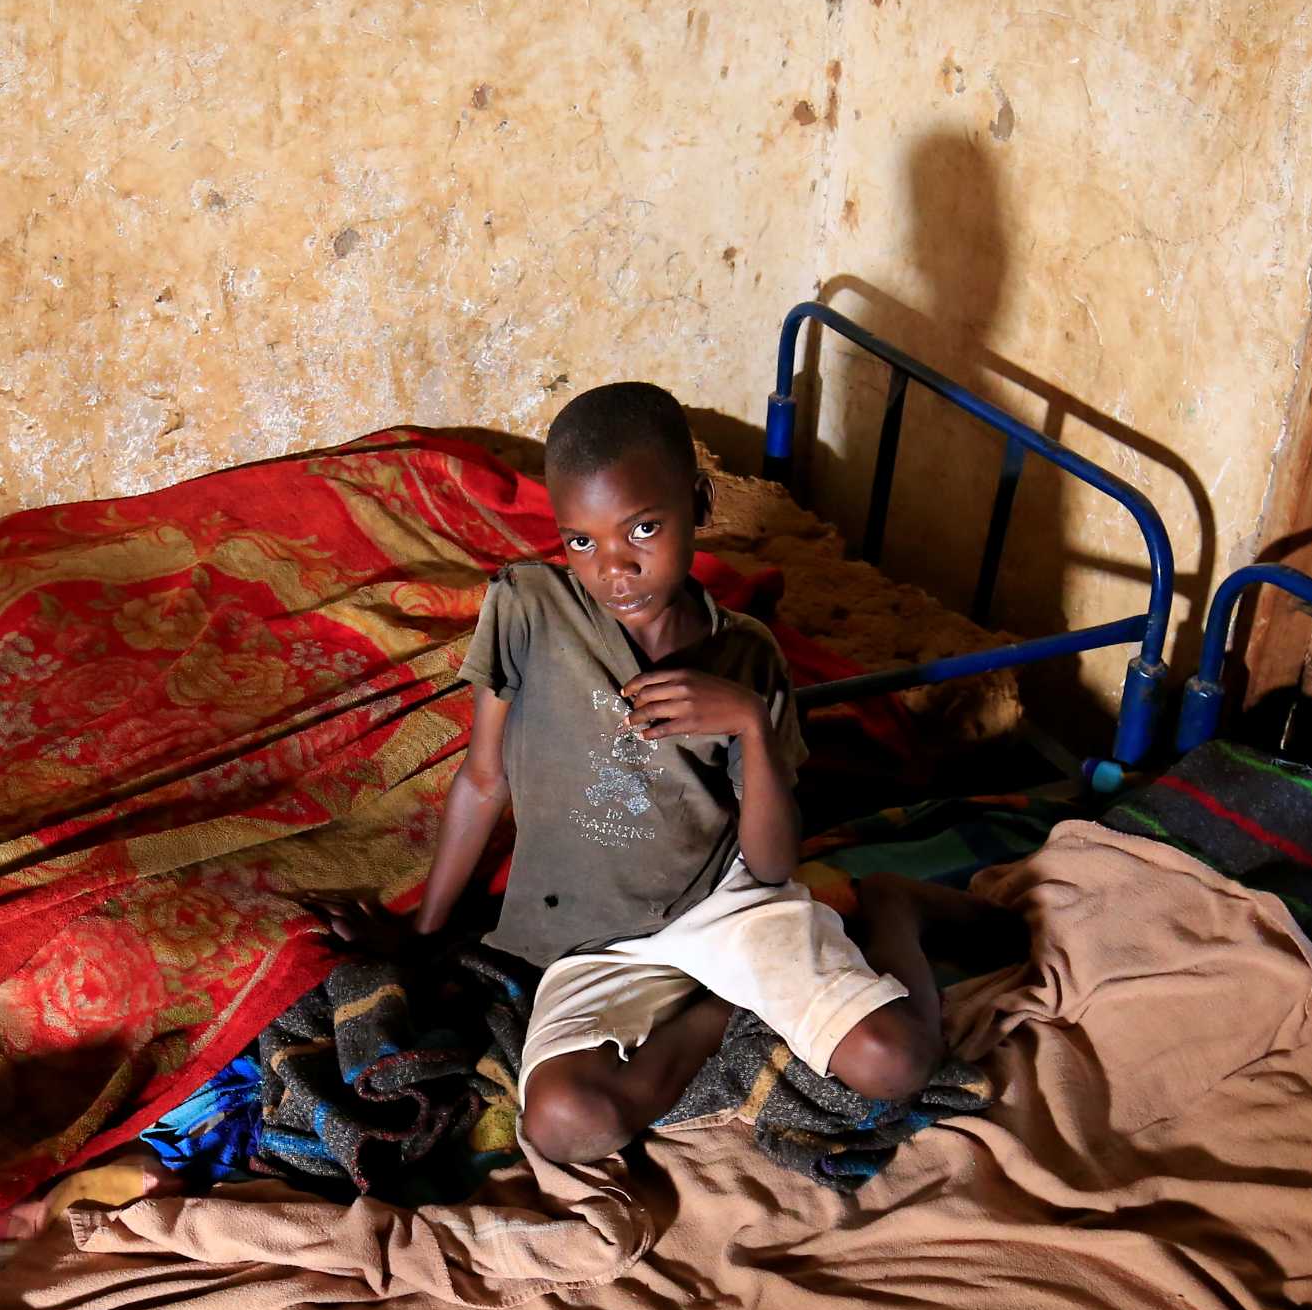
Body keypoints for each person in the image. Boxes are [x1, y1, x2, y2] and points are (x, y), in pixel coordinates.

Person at [320, 380, 947, 1165]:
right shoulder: (527, 608)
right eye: (581, 541)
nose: (614, 568)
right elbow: (484, 782)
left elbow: (775, 863)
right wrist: (422, 933)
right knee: (561, 1124)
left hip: (723, 904)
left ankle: (895, 909)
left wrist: (748, 722)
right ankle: (720, 1009)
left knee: (894, 1062)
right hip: (590, 943)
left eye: (642, 528)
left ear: (699, 501)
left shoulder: (746, 655)